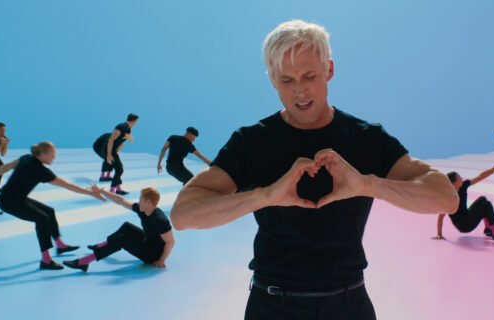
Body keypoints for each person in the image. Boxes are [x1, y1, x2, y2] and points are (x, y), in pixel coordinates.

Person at [169, 20, 458, 320]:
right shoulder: (251, 141)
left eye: (309, 76)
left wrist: (367, 185)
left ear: (329, 70)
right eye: (286, 80)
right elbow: (183, 214)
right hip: (271, 305)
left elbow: (445, 198)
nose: (300, 91)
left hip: (349, 303)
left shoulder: (366, 137)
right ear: (271, 80)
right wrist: (265, 196)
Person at [0, 142, 105, 269]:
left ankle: (60, 245)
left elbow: (6, 166)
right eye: (52, 154)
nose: (54, 157)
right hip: (9, 203)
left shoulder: (27, 158)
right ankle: (46, 260)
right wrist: (91, 193)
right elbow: (68, 185)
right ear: (42, 154)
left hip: (14, 198)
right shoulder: (40, 170)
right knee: (42, 218)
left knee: (49, 211)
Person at [63, 187, 175, 272]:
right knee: (127, 226)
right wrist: (102, 191)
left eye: (141, 199)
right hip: (148, 242)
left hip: (152, 255)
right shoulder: (143, 210)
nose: (138, 201)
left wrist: (161, 261)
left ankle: (84, 262)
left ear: (148, 203)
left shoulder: (160, 220)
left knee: (122, 239)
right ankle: (102, 245)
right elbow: (121, 201)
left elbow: (170, 241)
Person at [434, 168, 494, 241]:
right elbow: (441, 216)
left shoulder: (463, 186)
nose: (461, 178)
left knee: (482, 199)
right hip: (464, 226)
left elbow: (480, 176)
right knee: (486, 205)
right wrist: (439, 234)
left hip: (467, 216)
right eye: (459, 177)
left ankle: (488, 229)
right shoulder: (449, 198)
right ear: (454, 183)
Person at [93, 113, 138, 195]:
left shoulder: (128, 129)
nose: (135, 124)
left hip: (113, 150)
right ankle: (112, 191)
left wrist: (129, 137)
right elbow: (111, 140)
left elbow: (131, 141)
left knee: (118, 169)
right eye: (135, 123)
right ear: (133, 121)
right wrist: (109, 154)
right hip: (109, 150)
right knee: (120, 169)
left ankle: (118, 188)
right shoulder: (121, 127)